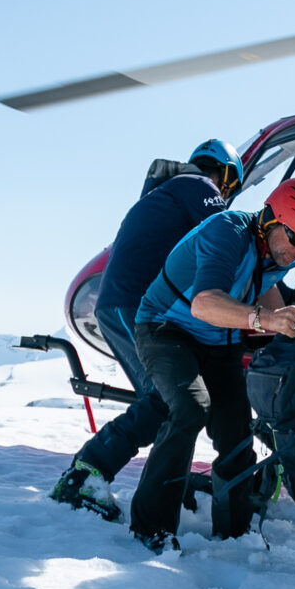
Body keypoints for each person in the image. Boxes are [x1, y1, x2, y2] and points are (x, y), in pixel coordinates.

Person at [125, 177, 295, 550]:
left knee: (236, 435)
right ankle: (150, 528)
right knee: (190, 409)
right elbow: (204, 303)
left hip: (217, 342)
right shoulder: (227, 232)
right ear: (273, 219)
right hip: (166, 330)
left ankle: (235, 533)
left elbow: (264, 287)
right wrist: (266, 320)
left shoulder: (276, 250)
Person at [51, 141, 243, 520]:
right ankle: (86, 473)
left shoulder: (170, 194)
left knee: (169, 405)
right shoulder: (198, 186)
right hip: (132, 304)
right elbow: (228, 237)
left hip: (129, 303)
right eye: (229, 187)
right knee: (170, 400)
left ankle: (165, 485)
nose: (225, 194)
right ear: (225, 175)